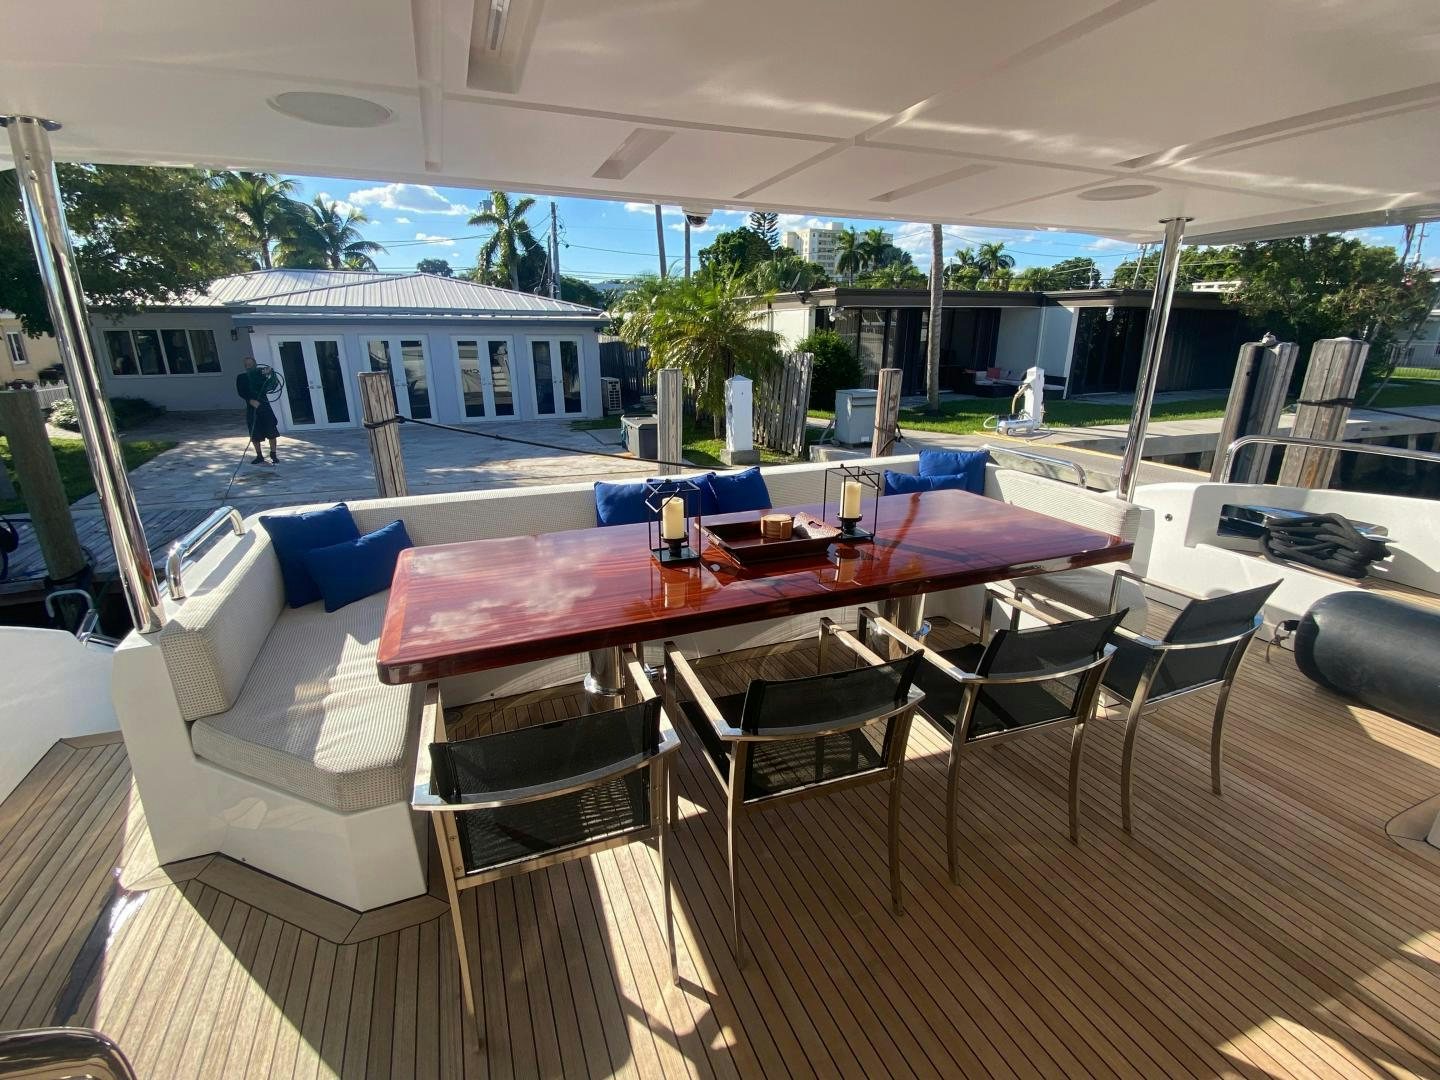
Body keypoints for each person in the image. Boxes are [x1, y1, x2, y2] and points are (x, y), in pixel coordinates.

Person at [236, 356, 280, 464]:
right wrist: (250, 400)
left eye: (250, 364)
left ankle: (273, 454)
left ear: (255, 364)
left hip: (264, 406)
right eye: (246, 365)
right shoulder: (241, 377)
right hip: (252, 408)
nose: (249, 366)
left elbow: (273, 384)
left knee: (271, 431)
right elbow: (241, 391)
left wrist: (271, 373)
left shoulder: (261, 374)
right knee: (254, 432)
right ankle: (259, 456)